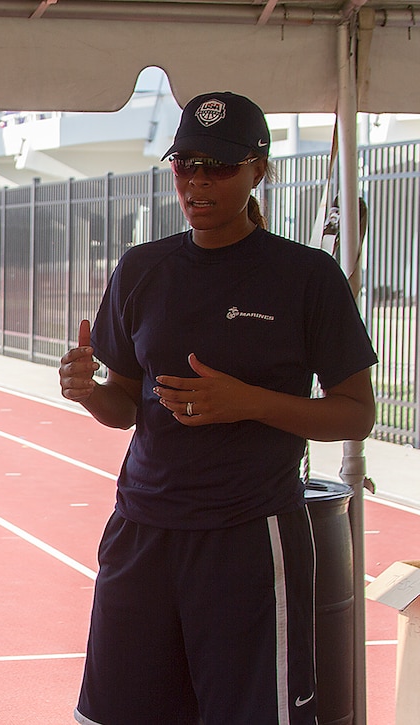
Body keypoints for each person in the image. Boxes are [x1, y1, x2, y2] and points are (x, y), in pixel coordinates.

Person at [59, 92, 377, 725]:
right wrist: (90, 390)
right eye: (186, 164)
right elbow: (125, 404)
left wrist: (246, 402)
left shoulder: (307, 277)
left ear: (259, 169)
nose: (198, 181)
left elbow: (355, 414)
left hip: (249, 537)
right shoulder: (143, 269)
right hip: (143, 531)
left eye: (220, 166)